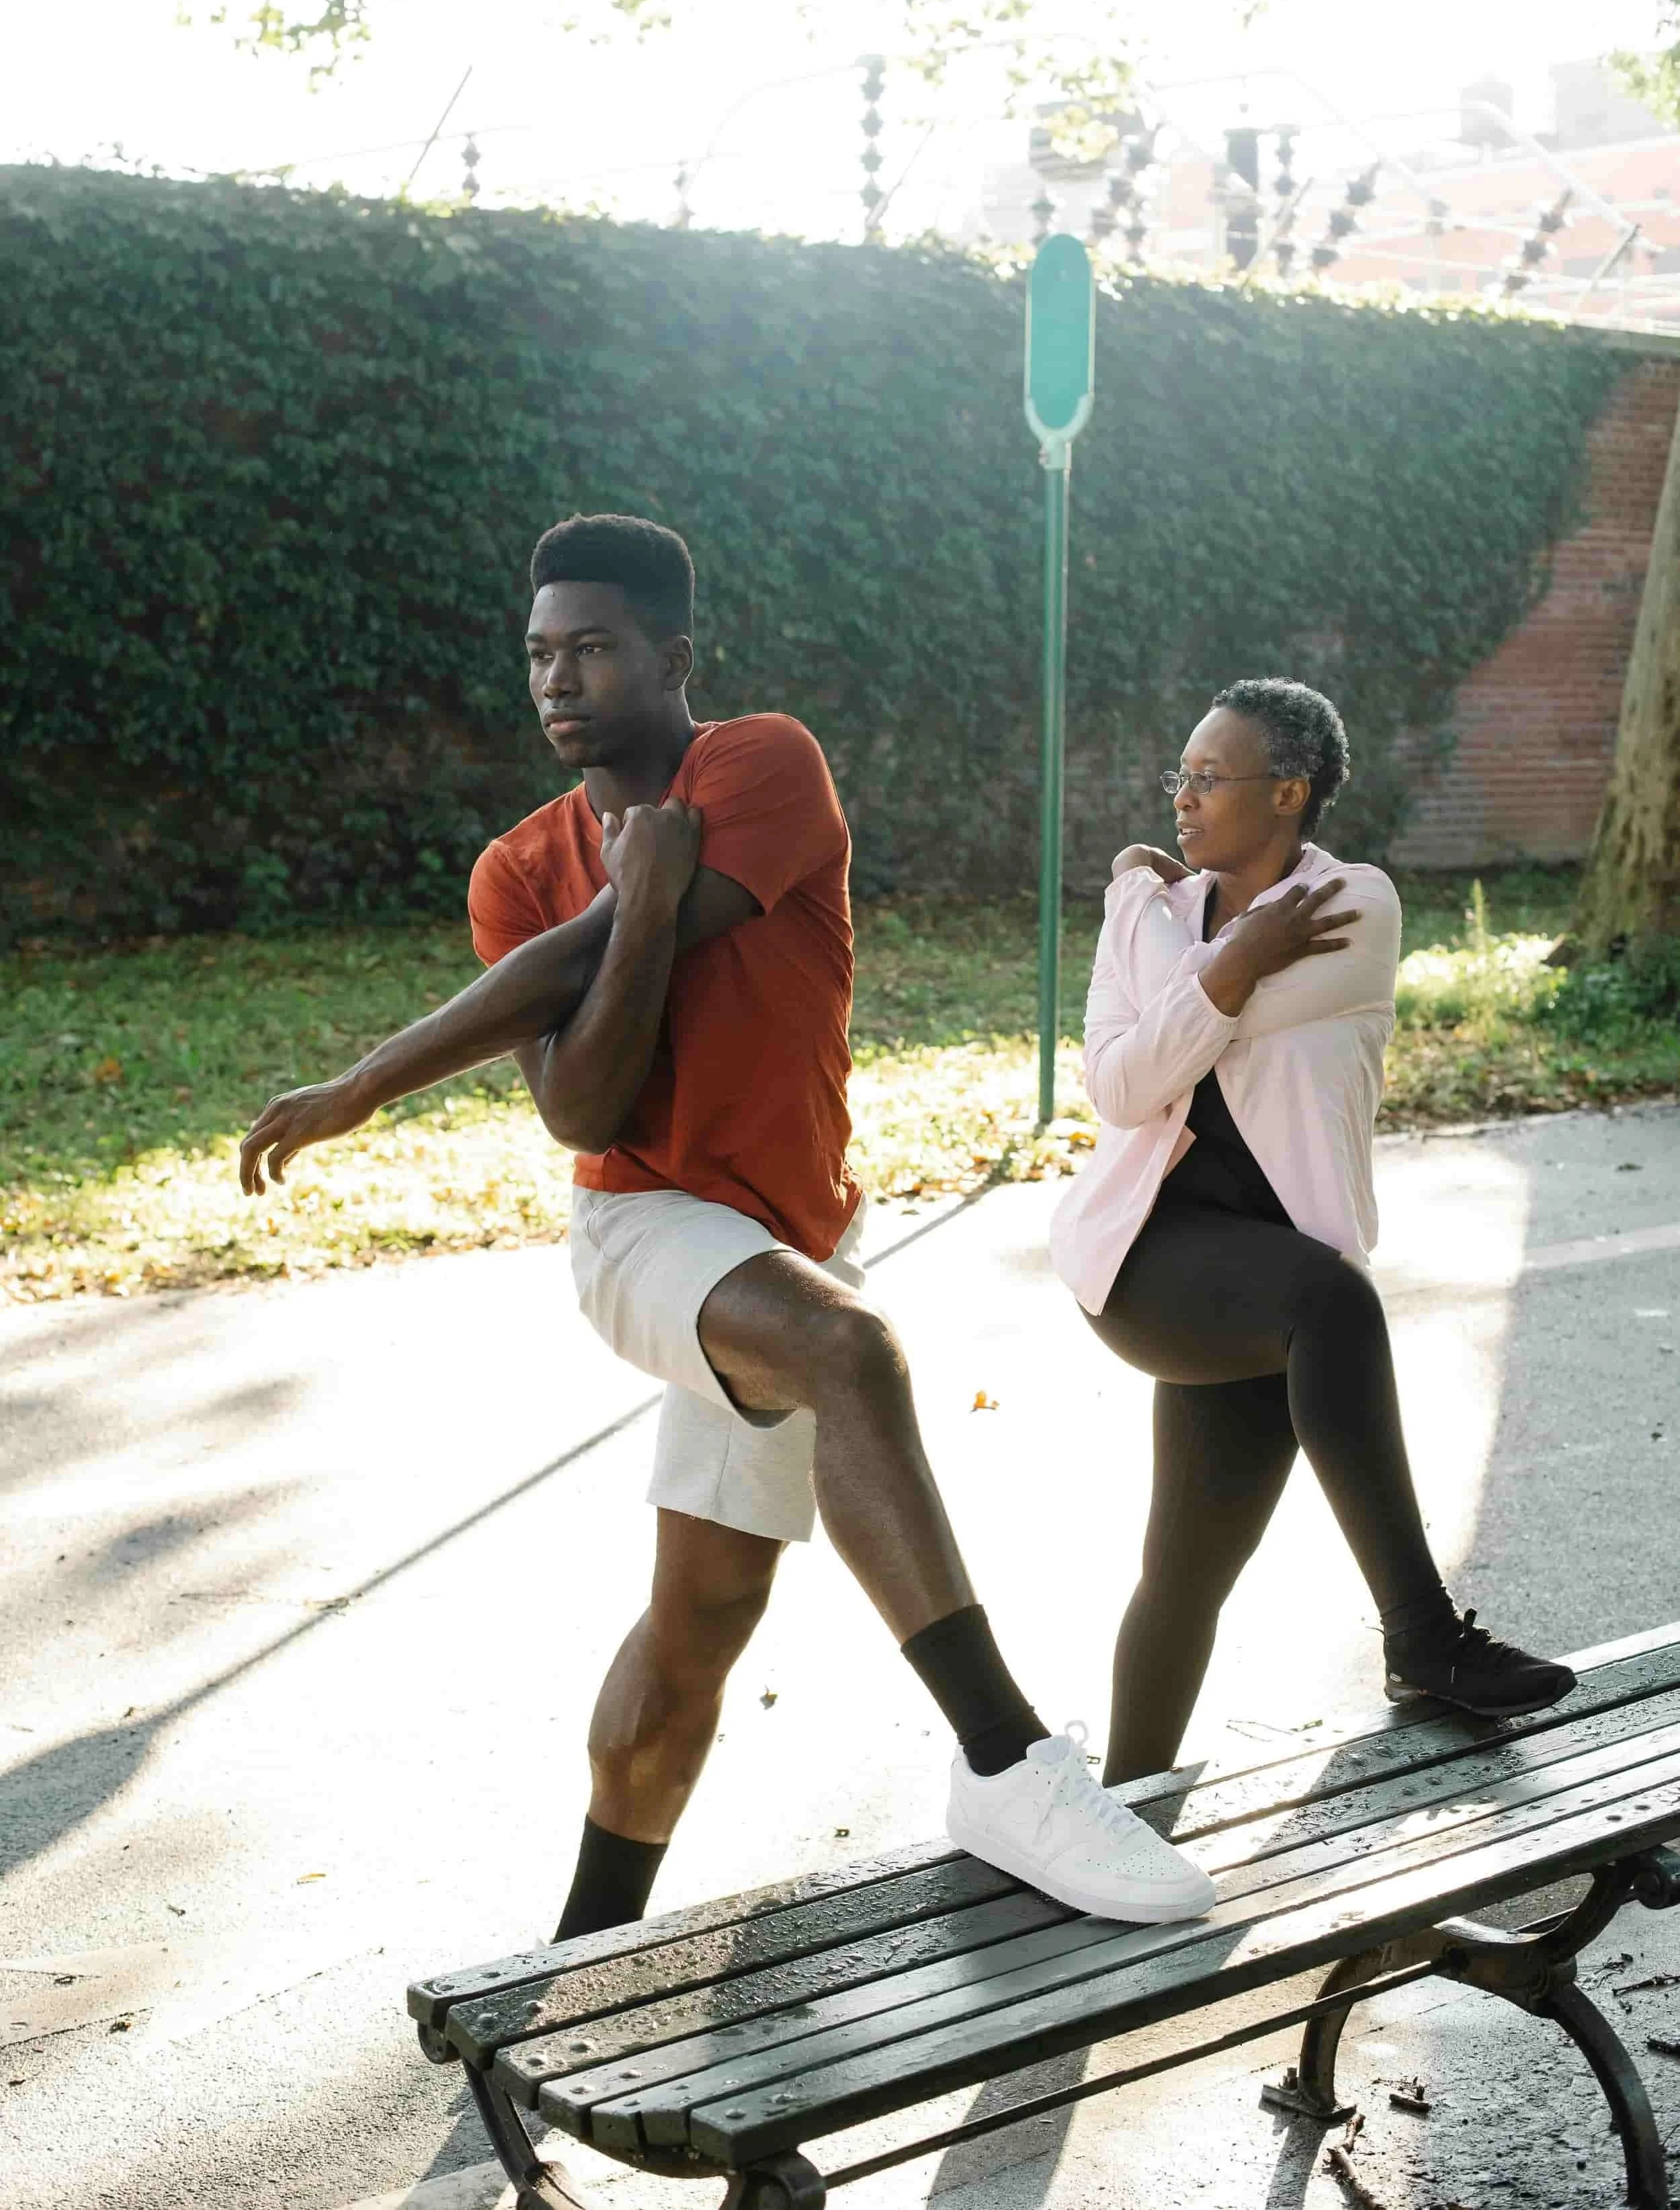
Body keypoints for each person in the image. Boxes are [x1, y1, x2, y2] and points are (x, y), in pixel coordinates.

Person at [238, 512, 1215, 1930]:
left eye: (590, 648)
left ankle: (582, 1945)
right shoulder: (516, 872)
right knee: (850, 1353)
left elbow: (630, 947)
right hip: (645, 1232)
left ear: (671, 654)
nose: (556, 680)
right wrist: (624, 902)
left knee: (700, 1619)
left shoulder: (762, 763)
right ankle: (1005, 1760)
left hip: (789, 1236)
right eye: (536, 656)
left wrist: (605, 922)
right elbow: (582, 1109)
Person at [1049, 677, 1576, 1789]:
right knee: (1335, 1301)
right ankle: (1424, 1637)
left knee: (1188, 1565)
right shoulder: (1149, 914)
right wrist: (1228, 958)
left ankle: (1125, 1801)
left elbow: (1161, 1044)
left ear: (1286, 791)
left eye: (1209, 777)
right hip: (1147, 1259)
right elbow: (1120, 1084)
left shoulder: (1359, 904)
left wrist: (1160, 949)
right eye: (1179, 778)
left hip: (1269, 1277)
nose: (1182, 799)